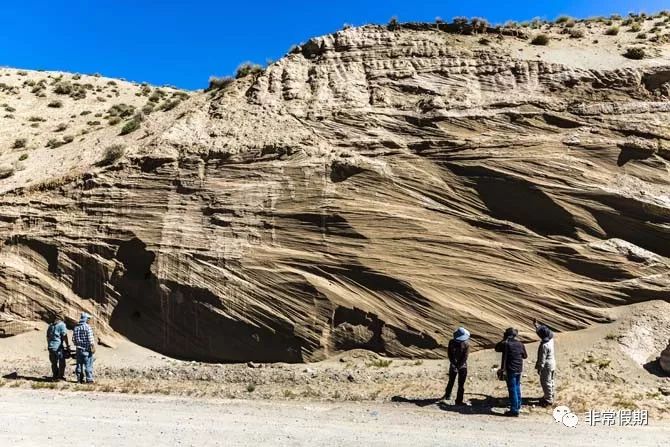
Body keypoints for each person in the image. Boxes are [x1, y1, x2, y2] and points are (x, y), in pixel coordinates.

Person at [495, 327, 527, 417]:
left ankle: (514, 410)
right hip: (518, 369)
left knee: (512, 388)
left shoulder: (506, 344)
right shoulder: (520, 344)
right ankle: (518, 405)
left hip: (510, 369)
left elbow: (496, 348)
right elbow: (525, 356)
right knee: (517, 387)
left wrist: (504, 339)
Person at [443, 327, 470, 405]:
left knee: (451, 381)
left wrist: (454, 364)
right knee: (461, 384)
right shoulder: (466, 344)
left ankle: (447, 395)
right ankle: (458, 400)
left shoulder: (451, 342)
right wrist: (459, 365)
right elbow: (465, 357)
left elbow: (450, 354)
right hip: (462, 366)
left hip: (453, 365)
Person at [533, 319, 556, 407]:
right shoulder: (551, 340)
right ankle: (551, 394)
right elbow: (544, 332)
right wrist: (536, 325)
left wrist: (539, 368)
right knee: (551, 380)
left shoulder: (544, 346)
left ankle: (548, 400)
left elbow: (541, 359)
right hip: (552, 363)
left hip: (546, 366)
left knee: (545, 382)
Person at [73, 312, 96, 384]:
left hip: (78, 349)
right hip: (87, 350)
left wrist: (78, 344)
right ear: (85, 319)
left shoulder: (76, 327)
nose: (89, 320)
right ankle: (89, 380)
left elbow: (73, 339)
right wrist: (93, 347)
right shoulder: (87, 327)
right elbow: (90, 339)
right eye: (88, 318)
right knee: (88, 365)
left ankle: (79, 379)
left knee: (79, 365)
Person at [46, 314, 70, 381]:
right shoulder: (62, 325)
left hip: (51, 346)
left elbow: (47, 337)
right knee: (62, 362)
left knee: (54, 363)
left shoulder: (50, 325)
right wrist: (67, 345)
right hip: (58, 347)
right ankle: (60, 377)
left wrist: (49, 344)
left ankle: (55, 376)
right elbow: (64, 335)